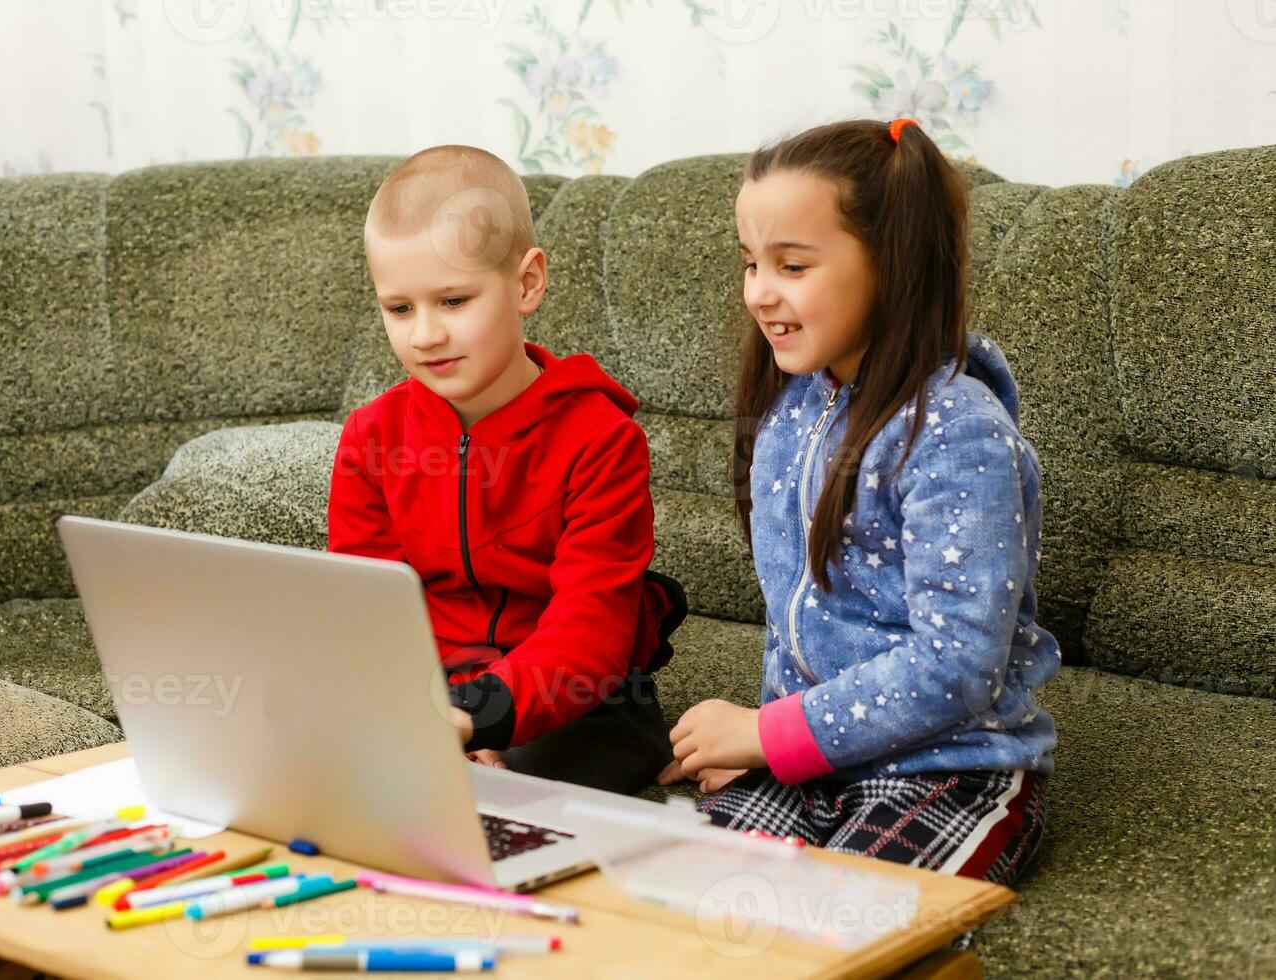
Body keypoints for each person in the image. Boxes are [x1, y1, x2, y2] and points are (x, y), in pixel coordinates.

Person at [661, 118, 1057, 890]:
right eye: (750, 263)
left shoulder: (958, 436)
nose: (759, 292)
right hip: (811, 760)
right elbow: (799, 615)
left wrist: (769, 736)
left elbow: (957, 667)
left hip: (949, 768)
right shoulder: (792, 410)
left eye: (792, 264)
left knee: (840, 922)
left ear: (891, 263)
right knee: (676, 898)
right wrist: (765, 752)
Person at [328, 144, 687, 795]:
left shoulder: (603, 439)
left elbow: (589, 638)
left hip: (579, 702)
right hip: (430, 697)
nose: (426, 334)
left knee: (505, 786)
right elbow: (369, 613)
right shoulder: (370, 438)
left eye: (454, 301)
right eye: (400, 309)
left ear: (526, 284)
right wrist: (425, 715)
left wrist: (473, 722)